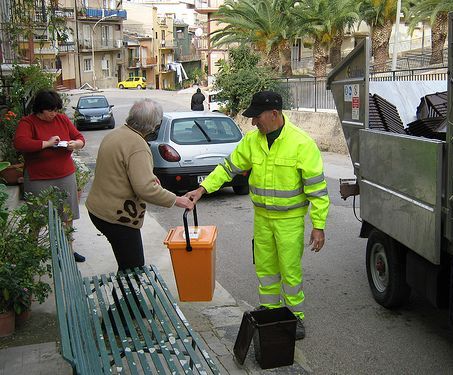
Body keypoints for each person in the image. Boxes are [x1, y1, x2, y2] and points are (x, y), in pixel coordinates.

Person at [185, 90, 330, 340]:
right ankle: (271, 309)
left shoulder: (302, 143)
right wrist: (202, 189)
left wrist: (318, 226)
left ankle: (296, 317)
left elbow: (317, 190)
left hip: (289, 221)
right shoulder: (253, 141)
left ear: (274, 114)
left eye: (257, 117)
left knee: (290, 270)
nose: (253, 122)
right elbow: (228, 168)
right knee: (265, 269)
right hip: (262, 218)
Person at [86, 98, 194, 271]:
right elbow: (145, 189)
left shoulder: (116, 134)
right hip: (117, 217)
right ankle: (125, 298)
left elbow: (119, 172)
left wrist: (147, 177)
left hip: (98, 210)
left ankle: (122, 296)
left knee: (127, 265)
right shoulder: (138, 145)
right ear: (153, 126)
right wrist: (177, 200)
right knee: (133, 269)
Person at [14, 89, 87, 263]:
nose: (54, 114)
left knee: (67, 216)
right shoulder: (28, 122)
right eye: (50, 110)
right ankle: (32, 253)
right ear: (40, 109)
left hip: (65, 175)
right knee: (36, 218)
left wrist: (74, 144)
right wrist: (46, 144)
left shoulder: (61, 119)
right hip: (38, 178)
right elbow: (20, 142)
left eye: (56, 110)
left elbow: (79, 138)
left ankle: (68, 251)